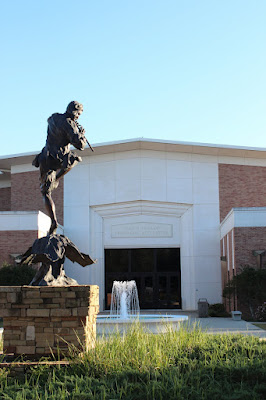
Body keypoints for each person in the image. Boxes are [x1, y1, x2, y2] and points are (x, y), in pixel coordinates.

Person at [32, 101, 93, 234]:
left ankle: (53, 221)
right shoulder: (70, 125)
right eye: (78, 114)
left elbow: (53, 124)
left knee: (45, 192)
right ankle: (57, 178)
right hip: (59, 157)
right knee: (75, 159)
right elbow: (80, 145)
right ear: (75, 112)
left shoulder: (54, 117)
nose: (78, 117)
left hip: (46, 156)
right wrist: (81, 133)